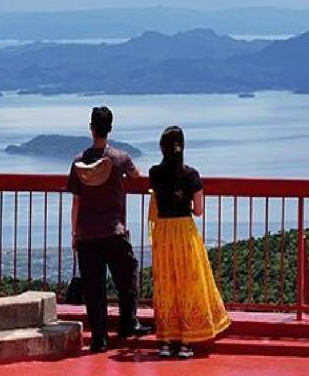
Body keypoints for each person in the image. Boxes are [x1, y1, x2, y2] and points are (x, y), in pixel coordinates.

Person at [67, 105, 150, 353]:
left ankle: (99, 339)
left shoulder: (78, 162)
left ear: (91, 128)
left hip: (87, 234)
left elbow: (76, 202)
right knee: (128, 274)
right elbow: (136, 175)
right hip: (113, 231)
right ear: (110, 128)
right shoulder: (119, 158)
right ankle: (128, 323)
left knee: (94, 288)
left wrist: (74, 233)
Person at [148, 125, 231, 358]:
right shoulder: (192, 175)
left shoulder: (155, 173)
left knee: (166, 284)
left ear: (162, 147)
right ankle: (186, 341)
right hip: (184, 232)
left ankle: (165, 341)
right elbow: (199, 210)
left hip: (163, 233)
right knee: (188, 283)